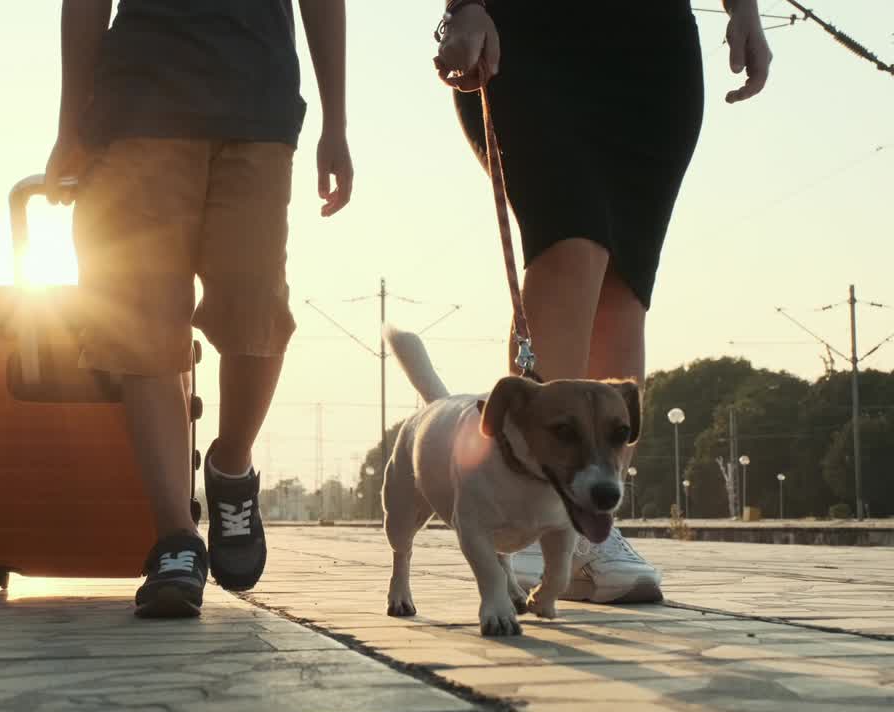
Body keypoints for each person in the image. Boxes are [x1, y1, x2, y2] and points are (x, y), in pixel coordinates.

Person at [434, 0, 771, 602]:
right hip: (527, 38)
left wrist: (743, 10)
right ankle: (537, 518)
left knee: (625, 282)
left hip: (651, 51)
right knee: (570, 242)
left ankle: (590, 532)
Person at [43, 0, 352, 618]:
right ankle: (175, 541)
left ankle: (231, 467)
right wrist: (71, 123)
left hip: (256, 106)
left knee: (255, 312)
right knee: (142, 325)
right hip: (138, 106)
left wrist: (336, 124)